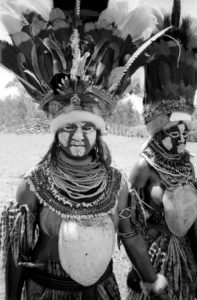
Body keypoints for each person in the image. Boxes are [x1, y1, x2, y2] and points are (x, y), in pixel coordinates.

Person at [0, 0, 171, 299]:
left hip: (100, 291)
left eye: (87, 128)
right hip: (47, 292)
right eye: (68, 127)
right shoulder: (33, 185)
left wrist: (151, 279)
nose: (78, 136)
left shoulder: (115, 184)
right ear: (56, 133)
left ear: (97, 132)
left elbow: (129, 236)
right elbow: (18, 252)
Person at [126, 1, 197, 299]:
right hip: (154, 262)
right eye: (173, 131)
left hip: (185, 261)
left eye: (185, 130)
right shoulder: (144, 166)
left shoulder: (187, 165)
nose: (181, 137)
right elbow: (127, 222)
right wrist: (141, 270)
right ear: (158, 129)